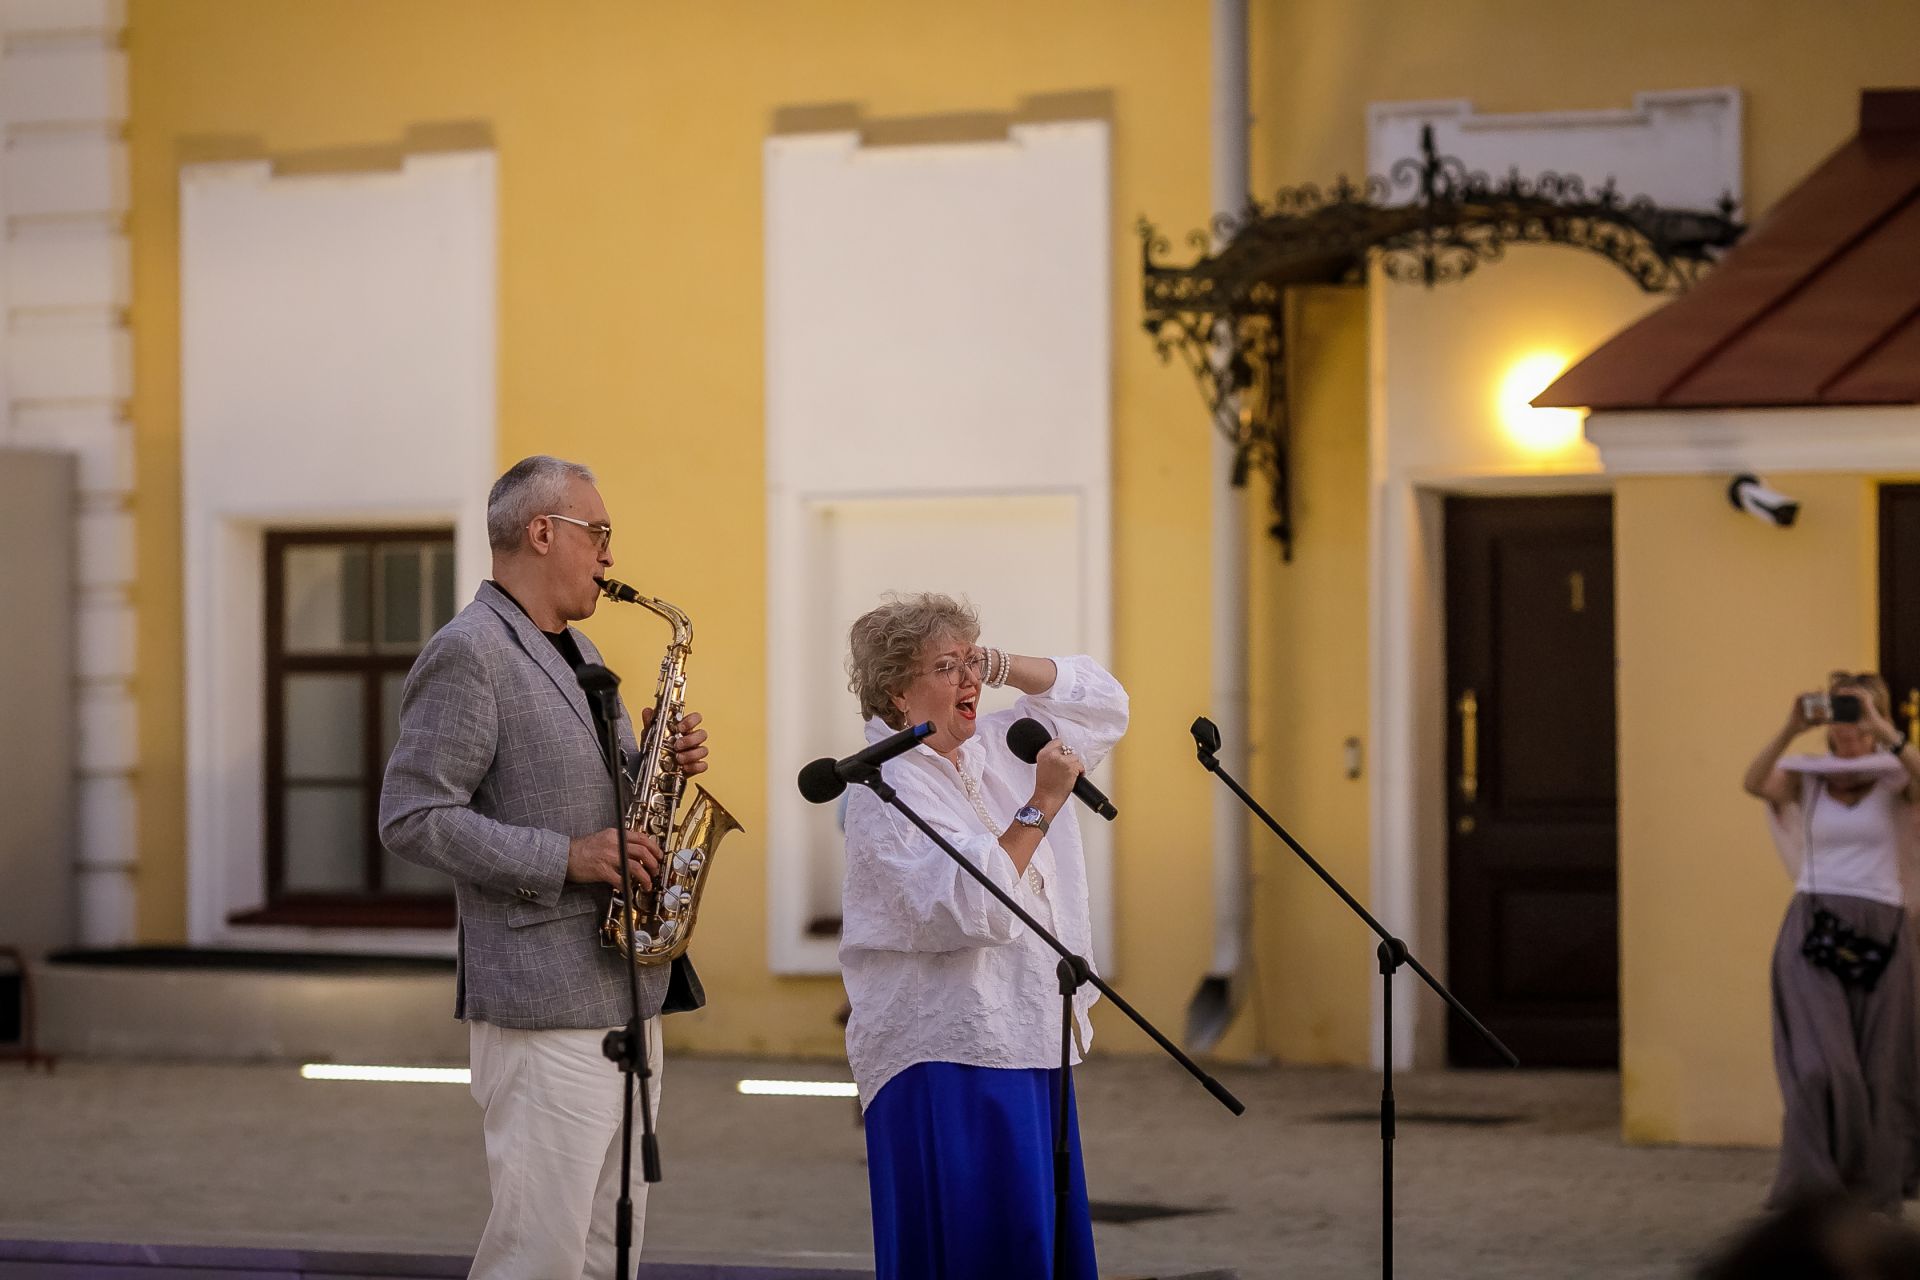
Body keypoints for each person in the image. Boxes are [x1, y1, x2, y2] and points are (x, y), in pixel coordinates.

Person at [380, 455, 710, 1279]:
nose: (608, 554)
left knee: (609, 1250)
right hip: (541, 1003)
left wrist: (658, 765)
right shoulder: (470, 652)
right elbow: (412, 817)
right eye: (597, 533)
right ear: (541, 532)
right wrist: (566, 858)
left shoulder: (579, 647)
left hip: (625, 991)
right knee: (538, 1256)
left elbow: (599, 800)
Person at [838, 591, 1129, 1279]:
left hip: (1028, 1031)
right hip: (946, 1053)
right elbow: (972, 906)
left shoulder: (999, 745)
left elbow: (1103, 703)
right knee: (980, 1246)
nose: (967, 680)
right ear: (897, 694)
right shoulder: (885, 790)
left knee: (1034, 1240)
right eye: (946, 666)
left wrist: (1000, 663)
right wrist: (1044, 803)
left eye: (971, 661)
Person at [1742, 671, 1920, 1212]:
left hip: (1884, 928)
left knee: (1881, 1070)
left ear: (1877, 712)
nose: (1846, 724)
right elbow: (1754, 783)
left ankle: (1873, 1195)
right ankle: (1814, 1195)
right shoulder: (1808, 777)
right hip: (1814, 924)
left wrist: (1886, 732)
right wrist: (1790, 727)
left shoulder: (1895, 777)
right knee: (1821, 1066)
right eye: (1839, 710)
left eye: (1856, 710)